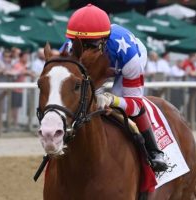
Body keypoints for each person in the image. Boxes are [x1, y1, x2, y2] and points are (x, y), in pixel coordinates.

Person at [63, 4, 167, 172]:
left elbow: (136, 104)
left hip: (123, 63)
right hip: (99, 66)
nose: (83, 53)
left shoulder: (130, 56)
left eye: (90, 45)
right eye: (79, 45)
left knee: (121, 106)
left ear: (104, 41)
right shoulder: (69, 49)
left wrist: (112, 99)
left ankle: (154, 151)